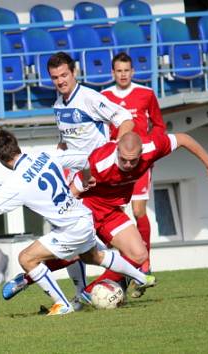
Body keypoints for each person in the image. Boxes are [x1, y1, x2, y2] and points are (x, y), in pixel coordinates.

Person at [0, 129, 156, 316]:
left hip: (70, 229)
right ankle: (141, 276)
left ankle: (63, 304)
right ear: (16, 145)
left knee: (26, 258)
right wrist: (86, 177)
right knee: (93, 256)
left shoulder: (15, 183)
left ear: (1, 159)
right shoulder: (43, 156)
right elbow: (83, 159)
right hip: (83, 216)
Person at [3, 131, 208, 304]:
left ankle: (89, 294)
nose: (128, 165)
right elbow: (73, 191)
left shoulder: (152, 147)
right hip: (86, 208)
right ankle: (27, 278)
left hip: (110, 211)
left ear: (142, 153)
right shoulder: (100, 163)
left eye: (133, 161)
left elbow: (183, 138)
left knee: (138, 255)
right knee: (77, 254)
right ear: (116, 149)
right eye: (124, 160)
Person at [42, 51, 135, 300]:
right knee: (69, 234)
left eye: (64, 75)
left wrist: (116, 150)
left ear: (74, 72)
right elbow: (66, 141)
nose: (60, 81)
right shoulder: (58, 104)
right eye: (55, 77)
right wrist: (55, 161)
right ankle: (82, 292)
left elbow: (125, 118)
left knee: (80, 235)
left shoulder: (89, 97)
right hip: (75, 178)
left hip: (95, 177)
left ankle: (121, 275)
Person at [101, 52, 166, 282]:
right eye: (119, 71)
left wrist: (152, 149)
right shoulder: (104, 96)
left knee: (139, 211)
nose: (123, 75)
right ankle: (126, 263)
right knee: (116, 214)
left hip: (138, 163)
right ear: (112, 73)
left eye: (126, 70)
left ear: (133, 72)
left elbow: (159, 125)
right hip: (115, 165)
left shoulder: (146, 94)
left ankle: (145, 263)